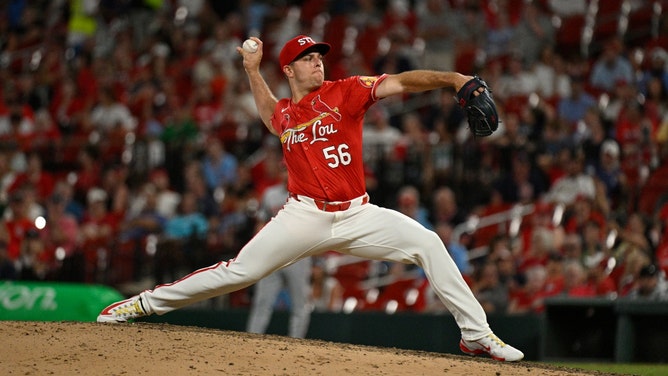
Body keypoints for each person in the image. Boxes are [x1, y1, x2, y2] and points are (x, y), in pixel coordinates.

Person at [97, 35, 524, 362]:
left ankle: (475, 334)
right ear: (289, 70)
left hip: (359, 213)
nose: (318, 61)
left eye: (319, 56)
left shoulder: (346, 92)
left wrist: (453, 79)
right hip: (303, 216)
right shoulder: (286, 113)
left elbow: (402, 83)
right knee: (238, 272)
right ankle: (141, 304)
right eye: (308, 58)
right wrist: (251, 70)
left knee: (429, 243)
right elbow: (268, 113)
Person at [246, 163, 312, 338]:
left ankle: (296, 344)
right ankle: (251, 340)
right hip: (273, 255)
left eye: (291, 171)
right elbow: (260, 223)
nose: (287, 175)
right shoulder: (271, 194)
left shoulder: (308, 194)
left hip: (298, 255)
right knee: (262, 302)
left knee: (300, 304)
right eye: (284, 171)